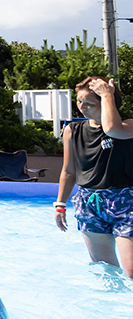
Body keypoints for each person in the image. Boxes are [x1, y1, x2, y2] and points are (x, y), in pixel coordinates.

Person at [55, 75, 133, 277]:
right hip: (89, 203)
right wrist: (60, 204)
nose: (82, 107)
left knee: (131, 271)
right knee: (105, 270)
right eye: (79, 101)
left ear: (108, 101)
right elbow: (68, 170)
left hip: (126, 203)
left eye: (89, 103)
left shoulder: (128, 126)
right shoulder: (72, 130)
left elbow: (113, 129)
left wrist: (107, 94)